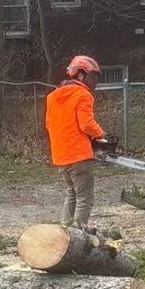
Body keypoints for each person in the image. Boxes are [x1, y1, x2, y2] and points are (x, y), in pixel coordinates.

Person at [45, 54, 110, 229]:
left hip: (60, 156)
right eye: (93, 76)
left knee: (71, 193)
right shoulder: (82, 94)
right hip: (78, 155)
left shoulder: (52, 97)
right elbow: (87, 124)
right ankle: (80, 232)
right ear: (81, 74)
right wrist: (101, 134)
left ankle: (65, 230)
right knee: (84, 197)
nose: (95, 81)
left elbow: (49, 125)